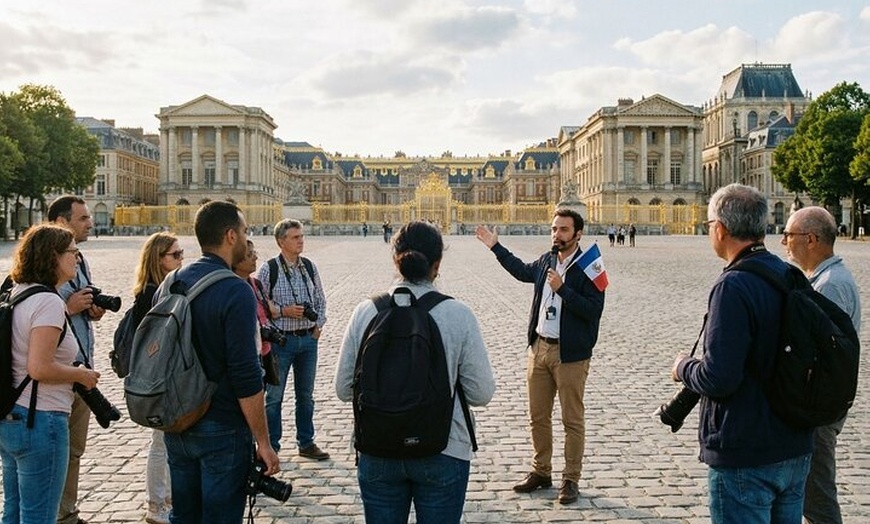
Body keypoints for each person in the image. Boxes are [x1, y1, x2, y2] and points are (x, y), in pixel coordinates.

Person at [335, 221, 495, 523]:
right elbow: (481, 393)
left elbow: (344, 389)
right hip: (443, 447)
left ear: (395, 257)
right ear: (438, 263)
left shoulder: (365, 311)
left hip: (378, 446)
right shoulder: (458, 314)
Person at [671, 183, 814, 524]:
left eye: (709, 226)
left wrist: (683, 367)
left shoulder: (733, 285)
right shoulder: (792, 275)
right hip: (794, 445)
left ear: (720, 229)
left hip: (746, 450)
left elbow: (719, 377)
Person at [475, 209, 605, 505]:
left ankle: (571, 478)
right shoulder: (547, 260)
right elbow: (521, 271)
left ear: (578, 234)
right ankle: (541, 471)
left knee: (572, 420)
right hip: (539, 348)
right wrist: (495, 247)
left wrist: (563, 290)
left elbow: (593, 310)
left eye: (563, 230)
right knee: (538, 417)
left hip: (570, 354)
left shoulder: (591, 265)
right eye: (554, 229)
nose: (556, 234)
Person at [163, 201, 279, 523]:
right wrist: (264, 442)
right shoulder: (235, 290)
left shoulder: (172, 280)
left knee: (183, 518)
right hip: (222, 426)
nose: (246, 238)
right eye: (244, 231)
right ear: (230, 236)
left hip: (179, 421)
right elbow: (245, 374)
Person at [0, 224, 100, 523]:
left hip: (12, 416)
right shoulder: (48, 302)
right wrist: (81, 376)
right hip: (41, 419)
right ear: (53, 256)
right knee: (39, 516)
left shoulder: (16, 292)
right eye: (73, 252)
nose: (78, 259)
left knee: (14, 512)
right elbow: (39, 367)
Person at [782, 207, 861, 524]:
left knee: (817, 497)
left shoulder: (828, 286)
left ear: (810, 239)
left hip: (820, 405)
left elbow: (820, 354)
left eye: (789, 235)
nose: (784, 242)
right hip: (822, 401)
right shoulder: (826, 278)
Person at [48, 195, 106, 524]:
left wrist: (92, 309)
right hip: (54, 373)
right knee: (52, 454)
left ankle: (66, 514)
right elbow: (34, 313)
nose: (89, 223)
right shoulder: (40, 263)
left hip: (81, 366)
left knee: (73, 452)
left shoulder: (80, 260)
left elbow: (83, 308)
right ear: (61, 222)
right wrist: (68, 308)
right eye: (83, 218)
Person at [257, 219, 329, 460]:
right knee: (274, 397)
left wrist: (318, 327)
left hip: (308, 340)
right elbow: (261, 305)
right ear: (281, 241)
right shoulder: (269, 270)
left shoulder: (309, 266)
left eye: (301, 236)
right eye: (295, 237)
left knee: (306, 396)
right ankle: (272, 447)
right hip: (282, 342)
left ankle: (306, 442)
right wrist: (283, 311)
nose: (301, 240)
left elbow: (320, 299)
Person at [129, 232, 184, 524]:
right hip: (159, 380)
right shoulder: (152, 293)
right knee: (161, 443)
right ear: (158, 259)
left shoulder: (160, 288)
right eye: (175, 255)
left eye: (181, 253)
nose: (181, 259)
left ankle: (167, 501)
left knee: (168, 443)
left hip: (163, 378)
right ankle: (156, 506)